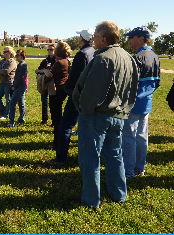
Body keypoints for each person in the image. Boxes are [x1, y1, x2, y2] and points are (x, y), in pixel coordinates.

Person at [72, 21, 139, 208]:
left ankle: (91, 200)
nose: (92, 39)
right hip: (118, 115)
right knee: (114, 155)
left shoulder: (103, 59)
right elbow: (133, 89)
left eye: (95, 36)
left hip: (96, 115)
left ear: (103, 38)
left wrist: (84, 109)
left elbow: (90, 92)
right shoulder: (128, 58)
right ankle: (119, 194)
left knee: (90, 158)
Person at [45, 28, 95, 168]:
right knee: (84, 126)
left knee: (65, 126)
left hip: (77, 95)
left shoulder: (82, 54)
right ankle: (83, 155)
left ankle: (61, 159)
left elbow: (75, 78)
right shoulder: (93, 52)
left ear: (82, 39)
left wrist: (67, 87)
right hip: (88, 95)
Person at [122, 27, 160, 179]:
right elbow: (157, 82)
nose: (129, 40)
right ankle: (140, 168)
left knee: (129, 138)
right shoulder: (155, 56)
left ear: (140, 38)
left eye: (131, 37)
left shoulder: (137, 58)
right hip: (146, 103)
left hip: (133, 104)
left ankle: (129, 172)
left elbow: (127, 83)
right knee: (142, 137)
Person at [43, 41, 72, 151]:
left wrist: (45, 73)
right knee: (58, 119)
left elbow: (48, 77)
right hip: (62, 91)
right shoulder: (66, 61)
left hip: (56, 92)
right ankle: (58, 142)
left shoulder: (59, 63)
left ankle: (57, 144)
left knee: (56, 119)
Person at [35, 44, 57, 125]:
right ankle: (44, 119)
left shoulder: (57, 60)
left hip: (52, 83)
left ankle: (54, 121)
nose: (49, 51)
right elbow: (37, 70)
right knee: (44, 101)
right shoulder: (45, 61)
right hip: (44, 83)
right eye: (48, 49)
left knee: (52, 103)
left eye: (51, 49)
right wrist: (43, 71)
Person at [0, 46, 17, 119]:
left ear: (10, 53)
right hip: (1, 82)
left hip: (9, 83)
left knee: (8, 100)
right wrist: (2, 71)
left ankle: (7, 114)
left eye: (5, 52)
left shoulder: (12, 62)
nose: (3, 53)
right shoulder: (1, 61)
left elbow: (7, 71)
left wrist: (1, 71)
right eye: (3, 51)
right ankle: (2, 112)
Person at [7, 49, 28, 127]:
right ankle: (21, 119)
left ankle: (11, 122)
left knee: (12, 104)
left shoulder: (22, 65)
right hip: (21, 87)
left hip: (19, 87)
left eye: (18, 55)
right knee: (21, 104)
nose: (16, 56)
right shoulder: (21, 64)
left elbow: (20, 78)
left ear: (22, 56)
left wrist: (14, 87)